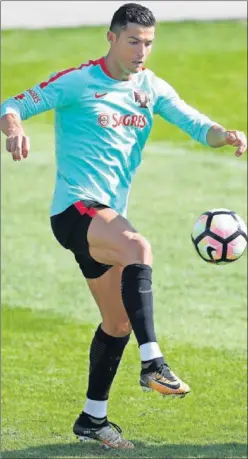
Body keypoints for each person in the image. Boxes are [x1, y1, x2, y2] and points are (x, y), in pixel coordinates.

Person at [1, 2, 247, 451]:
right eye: (133, 40)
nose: (141, 51)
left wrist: (224, 134)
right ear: (111, 37)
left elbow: (195, 124)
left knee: (116, 323)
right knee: (138, 246)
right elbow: (13, 103)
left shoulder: (150, 87)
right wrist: (13, 128)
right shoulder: (78, 81)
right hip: (75, 211)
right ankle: (153, 362)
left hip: (106, 217)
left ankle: (93, 419)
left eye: (148, 43)